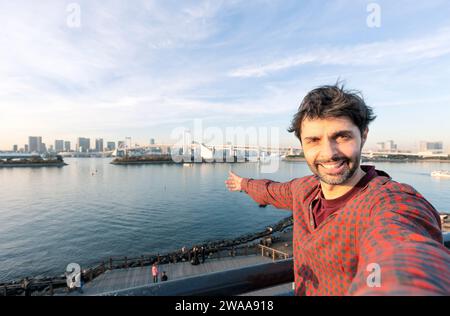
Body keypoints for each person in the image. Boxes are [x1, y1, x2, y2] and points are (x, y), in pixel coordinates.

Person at [225, 83, 450, 296]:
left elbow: (401, 245)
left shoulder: (388, 201)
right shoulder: (305, 189)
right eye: (313, 140)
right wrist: (243, 184)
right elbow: (271, 191)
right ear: (302, 145)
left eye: (341, 136)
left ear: (363, 136)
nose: (328, 153)